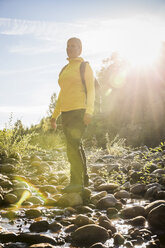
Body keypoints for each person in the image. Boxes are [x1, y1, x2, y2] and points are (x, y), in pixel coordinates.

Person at [51, 37, 95, 193]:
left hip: (80, 111)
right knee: (76, 145)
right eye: (68, 45)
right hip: (66, 113)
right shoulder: (64, 69)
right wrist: (54, 116)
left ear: (80, 49)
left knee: (72, 147)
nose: (70, 48)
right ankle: (84, 179)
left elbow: (91, 90)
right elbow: (62, 94)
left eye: (74, 46)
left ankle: (76, 182)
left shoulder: (84, 66)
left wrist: (89, 111)